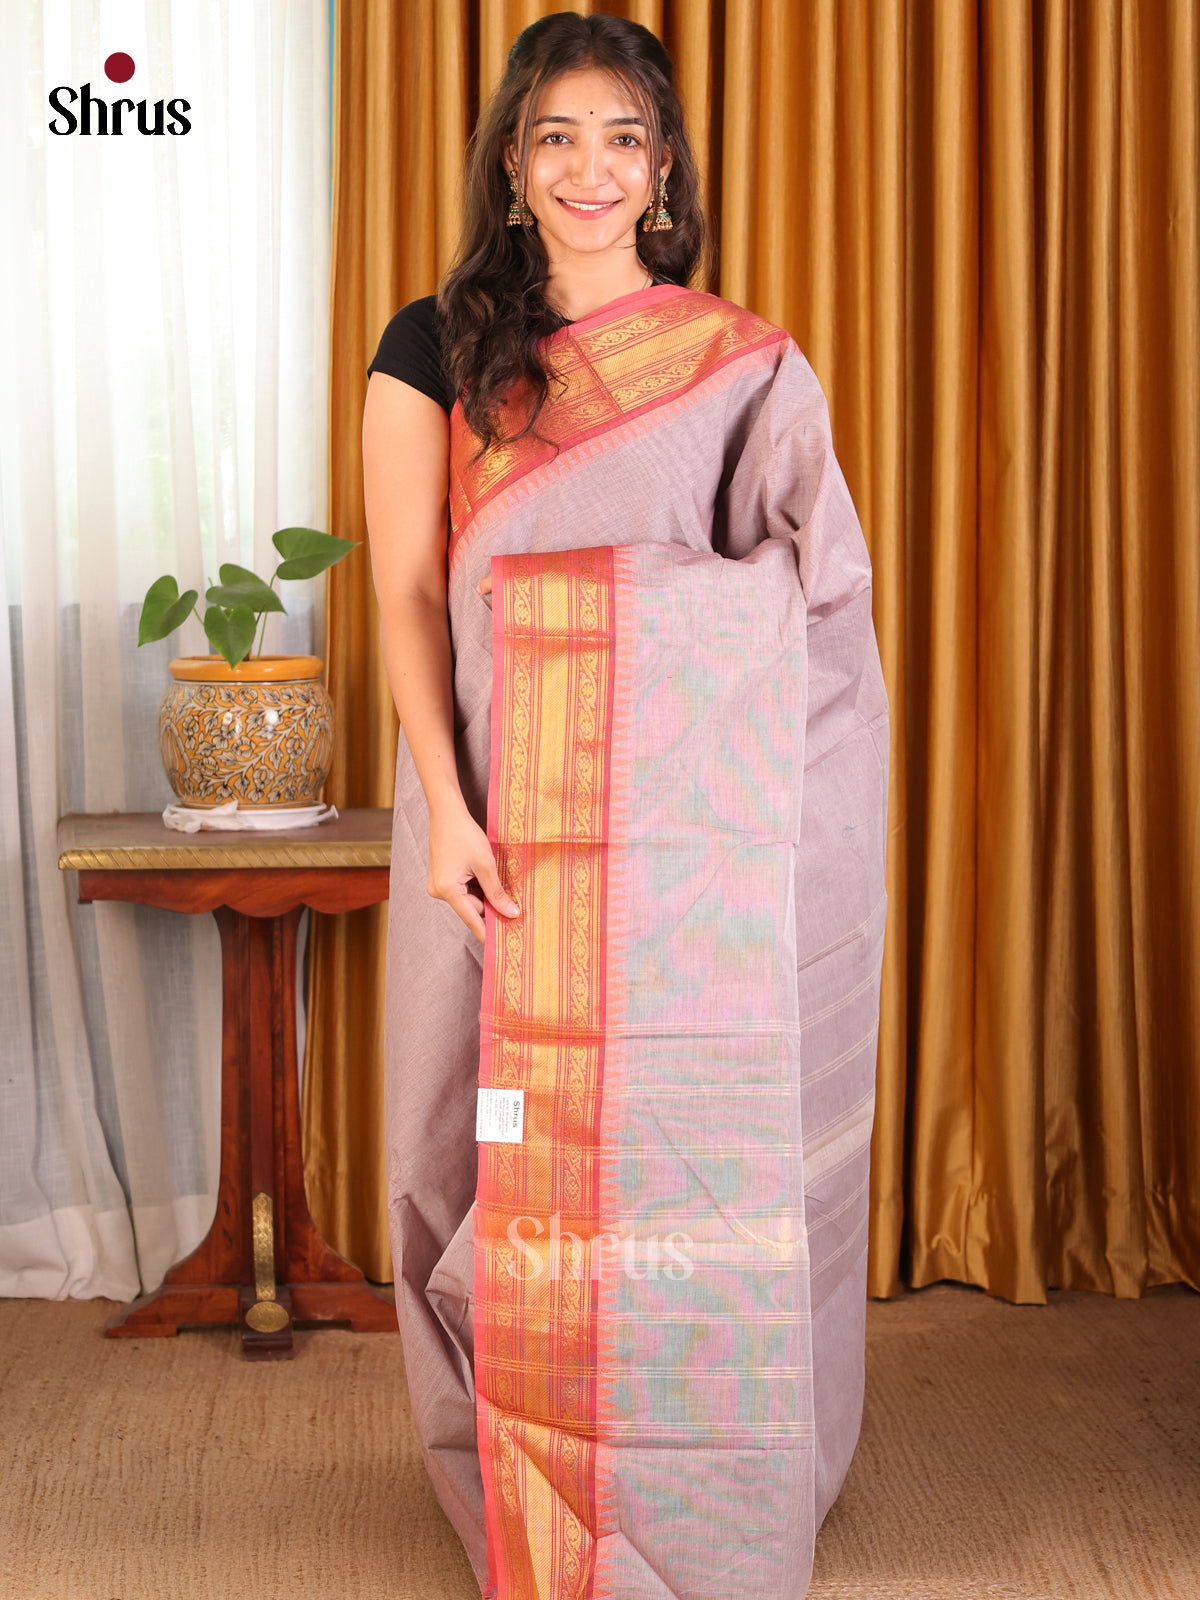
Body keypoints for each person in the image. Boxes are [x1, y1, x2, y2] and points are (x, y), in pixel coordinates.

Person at [362, 14, 889, 1600]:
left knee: (687, 1146)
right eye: (556, 138)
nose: (589, 169)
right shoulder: (436, 347)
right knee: (467, 1140)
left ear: (663, 170)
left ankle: (699, 1468)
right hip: (484, 823)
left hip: (682, 856)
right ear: (512, 168)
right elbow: (405, 595)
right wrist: (448, 808)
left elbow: (811, 602)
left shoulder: (737, 365)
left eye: (622, 138)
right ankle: (511, 1463)